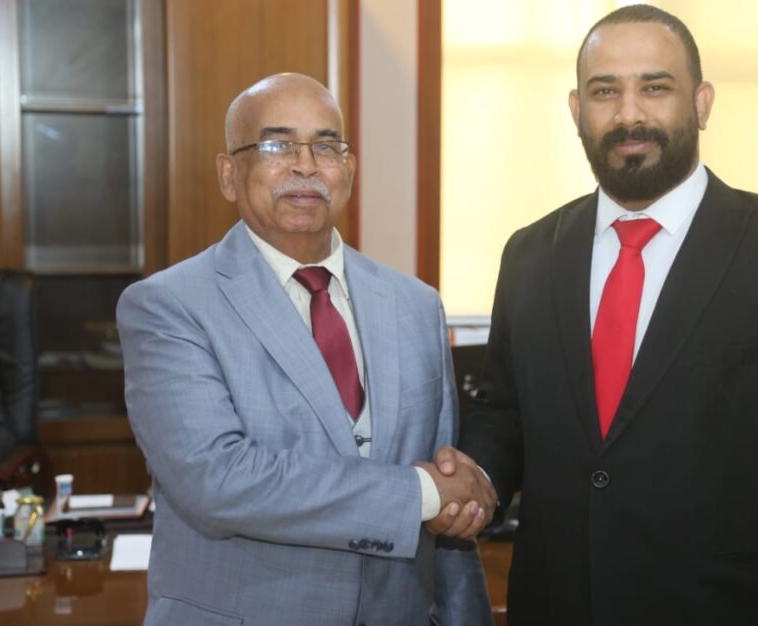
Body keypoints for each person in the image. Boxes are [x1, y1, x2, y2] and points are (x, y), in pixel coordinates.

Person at [444, 5, 758, 624]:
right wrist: (473, 479)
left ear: (702, 103)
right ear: (576, 111)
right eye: (605, 91)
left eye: (655, 88)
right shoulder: (530, 253)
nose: (629, 114)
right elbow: (504, 411)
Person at [117, 73, 495, 626]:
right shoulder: (168, 305)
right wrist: (422, 494)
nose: (306, 166)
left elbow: (448, 496)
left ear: (350, 169)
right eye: (277, 146)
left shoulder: (416, 305)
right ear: (229, 174)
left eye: (326, 146)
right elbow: (219, 479)